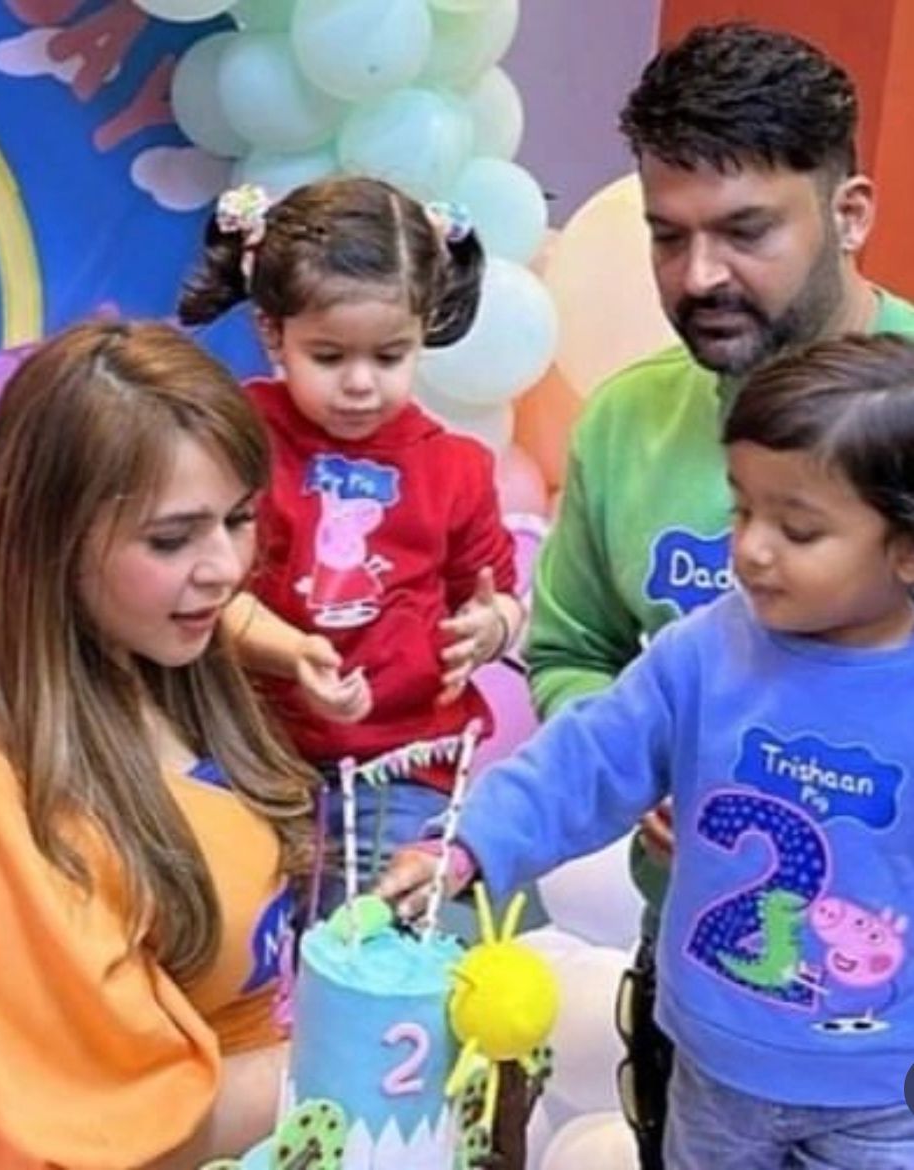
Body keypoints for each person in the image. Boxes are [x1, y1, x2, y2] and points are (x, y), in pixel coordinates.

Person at [523, 22, 914, 1165]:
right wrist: (643, 760)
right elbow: (570, 653)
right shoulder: (624, 424)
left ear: (847, 212)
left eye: (744, 232)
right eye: (667, 235)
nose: (697, 277)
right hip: (698, 995)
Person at [385, 331, 914, 1169]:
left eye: (797, 529)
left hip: (882, 1092)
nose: (751, 548)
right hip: (711, 1065)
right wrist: (471, 843)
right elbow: (585, 759)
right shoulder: (705, 648)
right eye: (741, 509)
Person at [0, 320, 318, 1169]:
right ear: (48, 539)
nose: (225, 568)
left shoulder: (150, 639)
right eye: (170, 539)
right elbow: (86, 1140)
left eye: (237, 519)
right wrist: (353, 1051)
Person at [177, 176, 524, 906]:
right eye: (329, 357)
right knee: (238, 935)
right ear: (272, 332)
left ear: (424, 328)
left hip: (400, 766)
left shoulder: (455, 467)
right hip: (250, 752)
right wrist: (291, 652)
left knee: (369, 943)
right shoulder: (239, 437)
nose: (360, 384)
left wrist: (490, 627)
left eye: (389, 356)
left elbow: (497, 595)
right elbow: (206, 592)